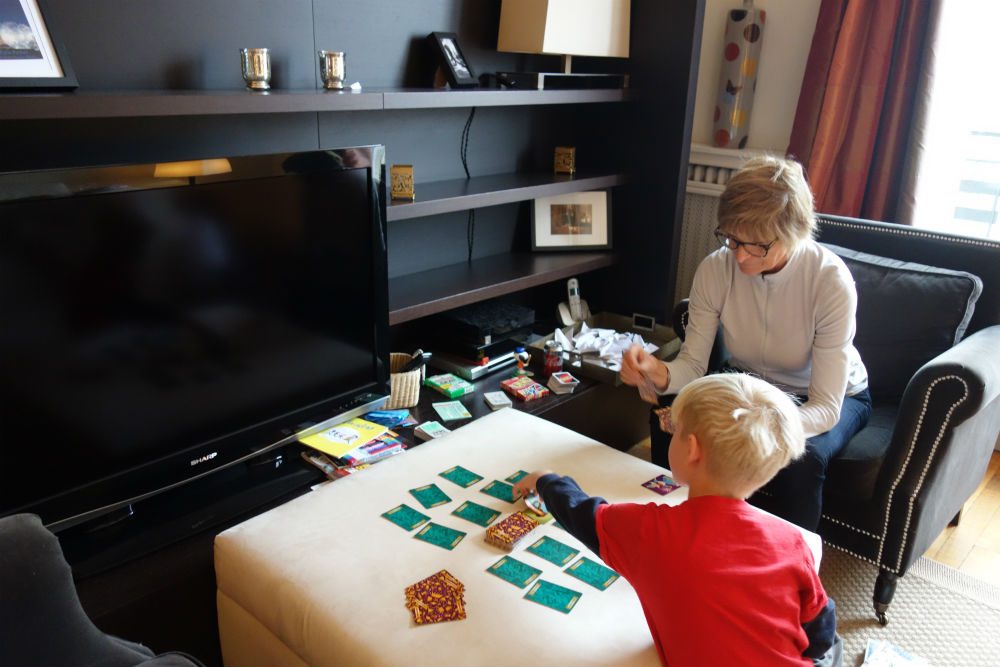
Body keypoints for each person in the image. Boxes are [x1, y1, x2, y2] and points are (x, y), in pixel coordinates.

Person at [513, 374, 842, 667]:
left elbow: (581, 513)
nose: (669, 430)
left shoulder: (647, 530)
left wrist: (547, 479)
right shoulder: (792, 541)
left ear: (693, 449)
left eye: (674, 427)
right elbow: (820, 630)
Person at [620, 155, 871, 531]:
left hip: (829, 396)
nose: (739, 255)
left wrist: (752, 429)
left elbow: (825, 408)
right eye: (732, 238)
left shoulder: (829, 281)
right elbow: (692, 367)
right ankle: (674, 528)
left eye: (756, 246)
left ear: (794, 234)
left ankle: (790, 570)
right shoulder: (715, 268)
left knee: (803, 460)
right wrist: (656, 372)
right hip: (748, 383)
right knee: (673, 414)